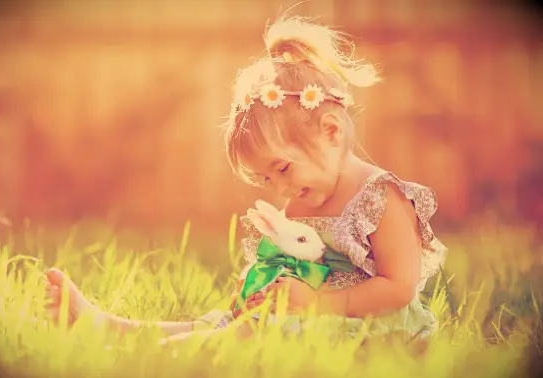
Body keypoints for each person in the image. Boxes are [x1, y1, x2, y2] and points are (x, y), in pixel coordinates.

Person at [45, 15, 448, 344]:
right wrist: (262, 291)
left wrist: (319, 303)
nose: (281, 189)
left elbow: (399, 289)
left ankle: (169, 356)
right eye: (267, 178)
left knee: (249, 340)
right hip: (310, 320)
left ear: (331, 131)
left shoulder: (381, 197)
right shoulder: (305, 196)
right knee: (224, 324)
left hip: (374, 332)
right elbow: (291, 263)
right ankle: (114, 329)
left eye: (284, 168)